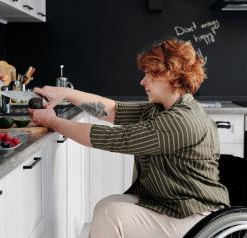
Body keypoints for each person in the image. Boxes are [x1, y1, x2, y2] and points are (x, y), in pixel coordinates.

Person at [28, 38, 230, 238]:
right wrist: (66, 93)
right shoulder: (159, 109)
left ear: (170, 75)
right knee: (105, 206)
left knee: (110, 215)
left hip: (195, 216)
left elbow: (116, 138)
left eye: (149, 74)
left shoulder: (182, 119)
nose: (142, 81)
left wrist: (53, 122)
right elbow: (112, 110)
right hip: (170, 203)